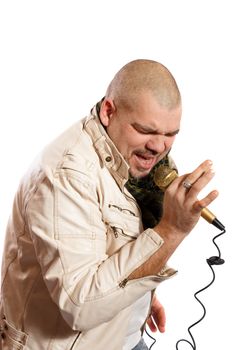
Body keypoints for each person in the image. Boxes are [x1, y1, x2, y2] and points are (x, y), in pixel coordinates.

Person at [0, 59, 218, 350]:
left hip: (123, 338)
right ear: (108, 111)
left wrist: (140, 300)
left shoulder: (139, 160)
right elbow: (80, 304)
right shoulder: (66, 176)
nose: (158, 146)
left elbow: (111, 244)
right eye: (146, 130)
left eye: (170, 135)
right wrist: (172, 231)